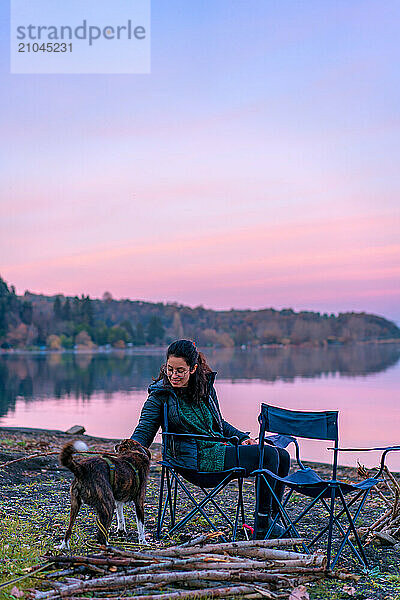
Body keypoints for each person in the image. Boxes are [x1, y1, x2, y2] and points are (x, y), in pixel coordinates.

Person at [130, 339, 290, 537]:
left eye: (180, 370)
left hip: (217, 450)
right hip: (193, 462)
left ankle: (270, 519)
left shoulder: (205, 388)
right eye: (169, 369)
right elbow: (143, 432)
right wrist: (127, 454)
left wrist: (241, 438)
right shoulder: (160, 396)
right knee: (267, 456)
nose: (173, 375)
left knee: (282, 455)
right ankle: (263, 525)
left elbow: (219, 424)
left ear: (193, 368)